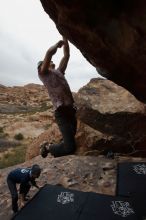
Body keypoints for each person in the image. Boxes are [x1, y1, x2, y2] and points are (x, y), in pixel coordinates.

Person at [38, 37, 77, 158]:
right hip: (61, 113)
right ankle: (48, 147)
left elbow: (67, 55)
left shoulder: (59, 72)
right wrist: (56, 44)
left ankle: (60, 145)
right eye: (48, 62)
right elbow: (49, 53)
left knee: (71, 138)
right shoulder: (43, 74)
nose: (51, 62)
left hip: (71, 110)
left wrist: (65, 37)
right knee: (70, 148)